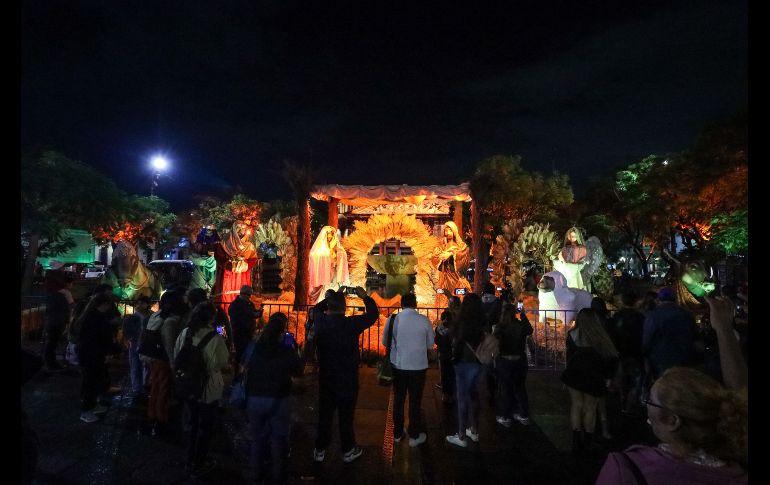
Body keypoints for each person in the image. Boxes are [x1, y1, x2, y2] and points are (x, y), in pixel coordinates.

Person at [596, 367, 747, 484]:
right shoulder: (738, 476)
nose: (646, 405)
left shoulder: (626, 469)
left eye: (650, 401)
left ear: (672, 421)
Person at [312, 287, 378, 464]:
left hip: (326, 377)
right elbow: (373, 315)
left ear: (329, 307)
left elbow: (316, 309)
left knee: (325, 415)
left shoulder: (321, 321)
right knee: (346, 416)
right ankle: (348, 449)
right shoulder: (350, 324)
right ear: (344, 308)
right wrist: (365, 297)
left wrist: (334, 295)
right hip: (347, 378)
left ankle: (320, 449)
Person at [244, 312, 304, 483]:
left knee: (257, 440)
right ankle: (278, 476)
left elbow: (243, 367)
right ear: (281, 333)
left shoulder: (253, 348)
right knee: (279, 440)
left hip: (254, 398)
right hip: (278, 399)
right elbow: (298, 370)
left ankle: (256, 474)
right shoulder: (286, 351)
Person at [173, 301, 231, 478]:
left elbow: (177, 354)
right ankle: (199, 462)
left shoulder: (185, 333)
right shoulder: (215, 338)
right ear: (211, 318)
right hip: (207, 388)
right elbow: (222, 363)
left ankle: (189, 458)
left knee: (192, 423)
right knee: (205, 427)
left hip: (188, 385)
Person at [560, 308, 619, 455]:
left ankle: (576, 440)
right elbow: (611, 358)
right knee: (590, 408)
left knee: (576, 405)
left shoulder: (572, 335)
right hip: (593, 375)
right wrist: (608, 377)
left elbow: (569, 355)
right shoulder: (600, 337)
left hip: (574, 374)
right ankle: (588, 440)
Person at [381, 292, 434, 446]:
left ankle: (397, 433)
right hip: (418, 367)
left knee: (399, 399)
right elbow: (431, 345)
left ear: (401, 304)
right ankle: (414, 436)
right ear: (415, 304)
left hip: (398, 365)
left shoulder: (393, 319)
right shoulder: (424, 320)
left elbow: (385, 342)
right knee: (415, 401)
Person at [143, 289, 188, 436]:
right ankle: (161, 418)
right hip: (163, 359)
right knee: (163, 389)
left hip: (153, 357)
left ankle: (152, 415)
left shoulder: (156, 315)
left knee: (156, 386)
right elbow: (169, 343)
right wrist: (172, 362)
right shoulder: (171, 320)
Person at [445, 293, 486, 448]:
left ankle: (461, 435)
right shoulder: (483, 321)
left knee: (462, 398)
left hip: (464, 362)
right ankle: (474, 430)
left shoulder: (463, 322)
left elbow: (456, 340)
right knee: (474, 396)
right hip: (479, 362)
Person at [76, 293, 120, 423]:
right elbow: (101, 338)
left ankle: (93, 406)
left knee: (93, 381)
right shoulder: (96, 318)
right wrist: (112, 350)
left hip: (90, 354)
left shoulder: (91, 315)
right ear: (105, 304)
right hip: (92, 355)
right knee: (91, 382)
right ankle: (86, 411)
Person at [642, 287, 699, 381]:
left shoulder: (653, 316)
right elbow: (695, 337)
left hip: (661, 360)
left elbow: (647, 340)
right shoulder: (686, 314)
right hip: (685, 359)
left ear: (659, 299)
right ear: (675, 298)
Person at [494, 301, 533, 427]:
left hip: (505, 360)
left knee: (505, 388)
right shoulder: (520, 325)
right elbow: (530, 329)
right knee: (520, 388)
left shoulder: (501, 327)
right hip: (520, 360)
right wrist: (523, 315)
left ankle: (505, 416)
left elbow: (495, 340)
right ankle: (523, 415)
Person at [433, 221, 470, 306]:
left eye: (450, 230)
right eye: (446, 230)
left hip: (456, 276)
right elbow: (435, 257)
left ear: (454, 231)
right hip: (445, 276)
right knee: (443, 294)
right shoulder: (441, 246)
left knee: (458, 293)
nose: (447, 233)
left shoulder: (460, 245)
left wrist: (451, 254)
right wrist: (442, 255)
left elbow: (464, 253)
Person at [309, 226, 349, 303]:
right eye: (328, 237)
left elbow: (342, 259)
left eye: (331, 237)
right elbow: (314, 257)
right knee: (324, 294)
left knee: (334, 292)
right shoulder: (319, 250)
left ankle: (333, 304)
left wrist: (338, 255)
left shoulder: (339, 250)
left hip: (335, 274)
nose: (329, 239)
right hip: (323, 276)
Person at [43, 271, 74, 370]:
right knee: (54, 343)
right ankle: (52, 363)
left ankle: (50, 362)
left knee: (51, 343)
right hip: (59, 320)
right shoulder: (64, 293)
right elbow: (71, 306)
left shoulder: (51, 293)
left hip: (51, 320)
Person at [123, 295, 152, 396]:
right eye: (138, 303)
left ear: (147, 304)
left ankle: (142, 386)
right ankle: (137, 388)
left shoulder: (149, 316)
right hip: (136, 343)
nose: (139, 305)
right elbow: (127, 331)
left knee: (144, 366)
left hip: (143, 343)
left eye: (142, 303)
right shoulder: (134, 317)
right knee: (136, 365)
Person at [228, 285, 262, 363]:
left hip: (248, 332)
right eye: (248, 295)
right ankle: (238, 369)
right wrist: (252, 315)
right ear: (243, 294)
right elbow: (240, 317)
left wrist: (258, 312)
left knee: (247, 353)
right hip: (239, 333)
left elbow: (253, 313)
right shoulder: (235, 305)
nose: (249, 297)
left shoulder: (249, 304)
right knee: (240, 354)